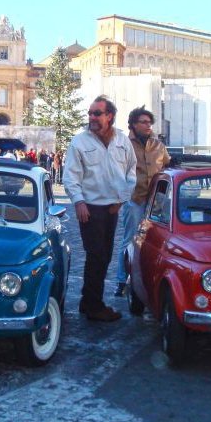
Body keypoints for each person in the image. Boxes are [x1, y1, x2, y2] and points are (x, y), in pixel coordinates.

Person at [63, 95, 136, 322]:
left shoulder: (122, 141)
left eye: (97, 113)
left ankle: (88, 301)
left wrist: (121, 199)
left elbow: (132, 171)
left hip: (112, 209)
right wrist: (79, 202)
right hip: (90, 209)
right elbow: (71, 177)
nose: (92, 117)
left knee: (104, 257)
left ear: (109, 116)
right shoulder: (80, 142)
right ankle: (94, 306)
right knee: (96, 256)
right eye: (90, 113)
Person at [114, 106, 170, 297]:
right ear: (133, 124)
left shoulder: (158, 146)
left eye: (149, 122)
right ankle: (122, 280)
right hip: (135, 198)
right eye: (144, 122)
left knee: (154, 241)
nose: (148, 126)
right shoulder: (123, 145)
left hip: (156, 202)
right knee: (129, 239)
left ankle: (147, 279)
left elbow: (168, 166)